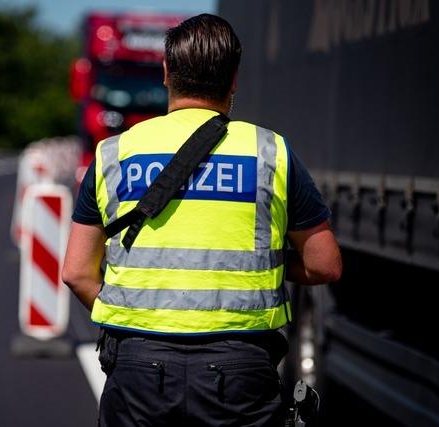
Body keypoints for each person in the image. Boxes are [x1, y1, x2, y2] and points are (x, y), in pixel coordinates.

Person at [62, 13, 342, 427]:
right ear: (234, 79)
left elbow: (76, 272)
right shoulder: (271, 153)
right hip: (240, 373)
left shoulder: (113, 154)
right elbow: (325, 264)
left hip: (139, 371)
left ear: (165, 73)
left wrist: (128, 319)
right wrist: (258, 265)